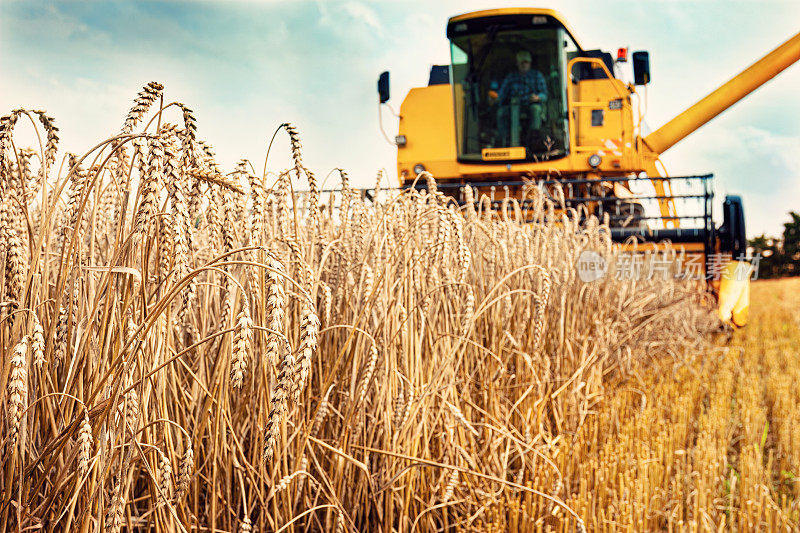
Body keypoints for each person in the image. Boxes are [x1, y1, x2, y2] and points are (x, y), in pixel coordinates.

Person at [496, 50, 548, 146]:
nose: (524, 65)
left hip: (531, 105)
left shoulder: (537, 75)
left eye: (526, 62)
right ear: (517, 63)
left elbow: (544, 94)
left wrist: (537, 97)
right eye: (521, 63)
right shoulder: (511, 77)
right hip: (514, 106)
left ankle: (534, 139)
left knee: (536, 110)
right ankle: (505, 140)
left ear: (530, 63)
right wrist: (496, 99)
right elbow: (501, 95)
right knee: (501, 113)